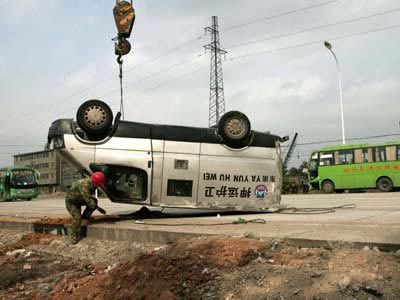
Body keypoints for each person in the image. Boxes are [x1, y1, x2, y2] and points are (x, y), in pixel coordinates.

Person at [65, 172, 107, 244]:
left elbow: (90, 200)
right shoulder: (85, 184)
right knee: (77, 217)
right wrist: (98, 208)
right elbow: (88, 199)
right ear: (94, 181)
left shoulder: (93, 185)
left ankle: (85, 218)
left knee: (94, 201)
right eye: (98, 184)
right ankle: (74, 236)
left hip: (80, 200)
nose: (99, 186)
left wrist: (95, 206)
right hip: (72, 203)